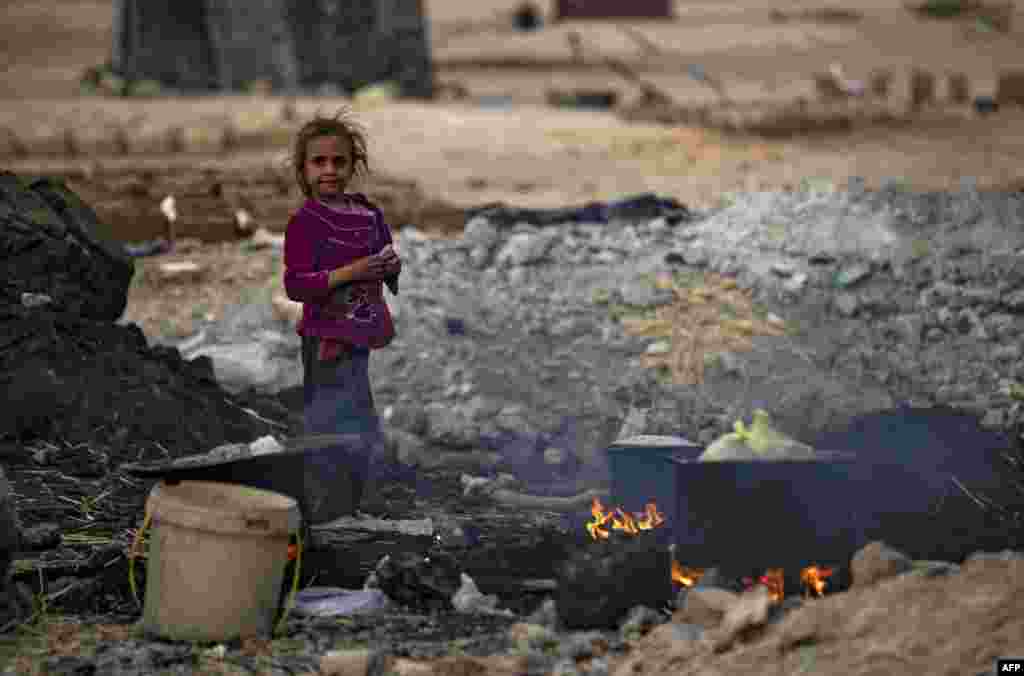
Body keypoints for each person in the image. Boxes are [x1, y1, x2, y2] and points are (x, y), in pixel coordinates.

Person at [282, 108, 402, 520]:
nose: (329, 170)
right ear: (303, 168)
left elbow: (386, 256)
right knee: (330, 421)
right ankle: (328, 509)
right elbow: (296, 285)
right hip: (325, 338)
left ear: (354, 166)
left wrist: (390, 267)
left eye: (339, 161)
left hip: (359, 335)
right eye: (319, 162)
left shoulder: (368, 214)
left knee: (357, 416)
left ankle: (351, 503)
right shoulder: (305, 223)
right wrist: (351, 272)